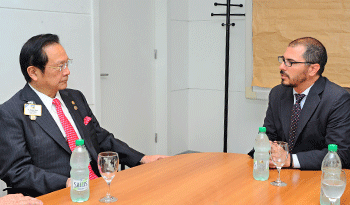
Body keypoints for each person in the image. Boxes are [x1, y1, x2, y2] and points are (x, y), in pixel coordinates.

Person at [0, 34, 168, 197]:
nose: (67, 72)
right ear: (34, 72)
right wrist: (66, 182)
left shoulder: (74, 97)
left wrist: (141, 159)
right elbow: (17, 170)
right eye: (59, 67)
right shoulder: (11, 112)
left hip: (98, 186)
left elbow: (101, 138)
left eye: (67, 64)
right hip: (58, 195)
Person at [248, 37, 350, 170]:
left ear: (313, 69)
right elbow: (268, 136)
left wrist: (290, 160)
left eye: (290, 62)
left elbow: (340, 154)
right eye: (283, 60)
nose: (282, 67)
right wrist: (266, 147)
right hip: (280, 175)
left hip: (314, 178)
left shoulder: (337, 99)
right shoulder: (278, 93)